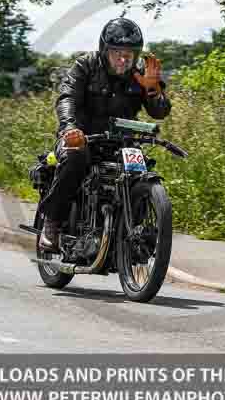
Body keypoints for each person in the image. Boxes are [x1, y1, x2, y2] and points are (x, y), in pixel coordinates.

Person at [37, 17, 172, 252]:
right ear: (105, 50)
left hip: (121, 142)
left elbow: (160, 112)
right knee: (75, 158)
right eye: (117, 53)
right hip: (81, 137)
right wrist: (69, 127)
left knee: (141, 171)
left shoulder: (141, 73)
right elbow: (67, 98)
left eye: (129, 54)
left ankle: (130, 235)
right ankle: (53, 223)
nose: (123, 59)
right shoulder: (85, 65)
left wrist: (152, 89)